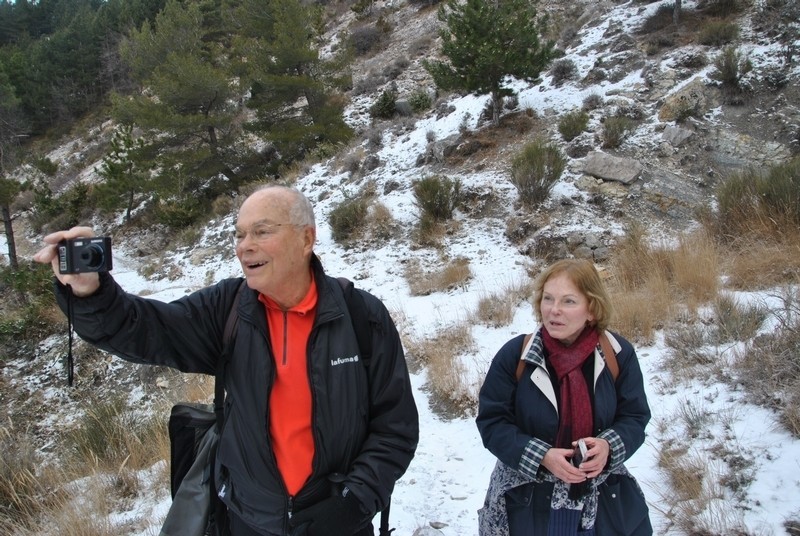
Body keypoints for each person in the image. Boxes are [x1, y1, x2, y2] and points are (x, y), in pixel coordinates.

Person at [33, 184, 419, 536]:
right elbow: (144, 329)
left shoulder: (360, 317)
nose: (244, 246)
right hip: (246, 520)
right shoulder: (229, 310)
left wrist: (354, 501)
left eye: (261, 232)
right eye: (239, 234)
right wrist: (91, 293)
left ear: (306, 239)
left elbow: (395, 427)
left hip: (336, 524)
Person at [475, 258, 651, 535]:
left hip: (600, 500)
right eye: (548, 299)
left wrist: (608, 448)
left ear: (591, 309)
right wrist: (541, 456)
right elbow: (492, 422)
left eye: (568, 301)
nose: (554, 310)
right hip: (527, 502)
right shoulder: (517, 355)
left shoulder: (617, 354)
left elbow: (635, 417)